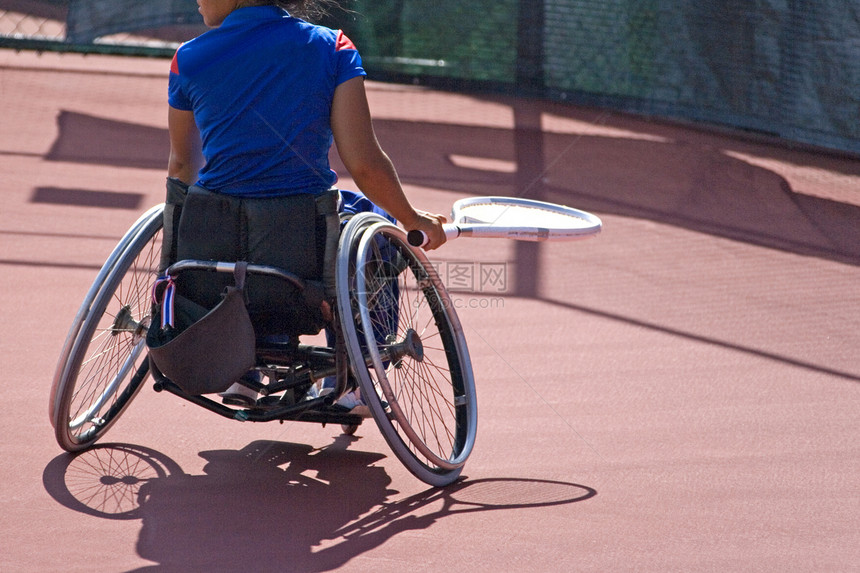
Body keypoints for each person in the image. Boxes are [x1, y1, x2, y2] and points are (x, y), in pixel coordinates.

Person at [165, 0, 446, 407]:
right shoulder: (332, 47)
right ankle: (360, 373)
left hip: (212, 254)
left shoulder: (186, 59)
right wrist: (412, 219)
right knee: (374, 225)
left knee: (253, 239)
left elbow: (181, 165)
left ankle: (248, 365)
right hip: (306, 244)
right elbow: (364, 164)